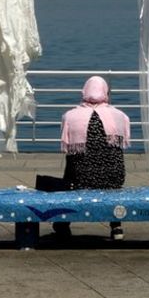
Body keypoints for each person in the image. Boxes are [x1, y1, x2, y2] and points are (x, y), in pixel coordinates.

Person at [55, 76, 131, 240]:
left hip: (81, 179)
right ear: (106, 92)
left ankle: (63, 224)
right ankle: (116, 226)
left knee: (72, 166)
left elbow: (69, 151)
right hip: (113, 178)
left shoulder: (70, 116)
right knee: (111, 165)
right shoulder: (120, 116)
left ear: (84, 92)